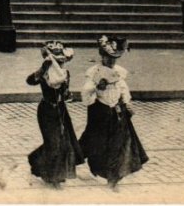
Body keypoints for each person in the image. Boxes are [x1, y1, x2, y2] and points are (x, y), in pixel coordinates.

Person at [78, 35, 148, 189]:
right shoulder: (94, 72)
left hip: (116, 111)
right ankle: (93, 167)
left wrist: (127, 102)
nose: (111, 62)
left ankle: (113, 176)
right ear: (102, 56)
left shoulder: (118, 72)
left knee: (118, 144)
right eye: (108, 58)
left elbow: (122, 88)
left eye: (114, 59)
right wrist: (97, 87)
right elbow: (85, 95)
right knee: (98, 143)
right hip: (100, 112)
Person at [26, 41, 83, 188]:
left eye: (62, 61)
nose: (60, 64)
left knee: (63, 143)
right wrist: (41, 68)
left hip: (61, 111)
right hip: (46, 110)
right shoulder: (45, 73)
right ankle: (51, 177)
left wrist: (67, 94)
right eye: (57, 61)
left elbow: (64, 94)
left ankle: (45, 167)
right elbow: (30, 81)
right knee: (53, 143)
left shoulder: (65, 74)